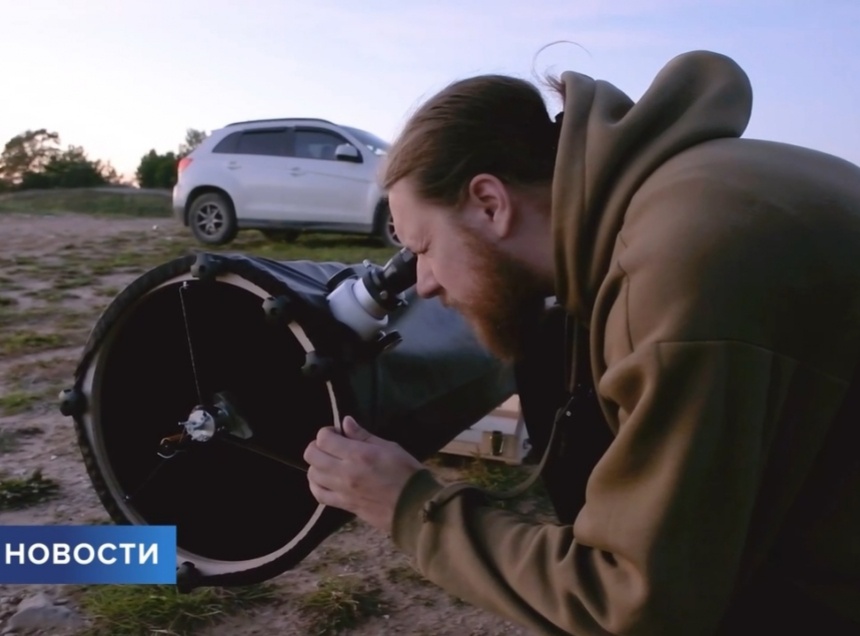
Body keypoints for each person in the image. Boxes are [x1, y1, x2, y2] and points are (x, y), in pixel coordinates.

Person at [303, 49, 860, 635]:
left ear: (490, 203)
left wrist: (408, 505)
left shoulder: (678, 270)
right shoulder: (682, 191)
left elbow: (632, 605)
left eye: (424, 248)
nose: (424, 283)